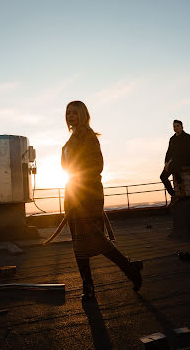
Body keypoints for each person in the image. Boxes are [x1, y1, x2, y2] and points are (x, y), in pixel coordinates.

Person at [45, 100, 143, 301]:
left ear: (82, 115)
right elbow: (66, 167)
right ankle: (90, 286)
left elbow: (97, 165)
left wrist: (80, 181)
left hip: (87, 195)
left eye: (74, 113)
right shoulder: (71, 139)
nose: (70, 116)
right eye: (68, 113)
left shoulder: (88, 137)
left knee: (94, 239)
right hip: (73, 194)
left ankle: (127, 269)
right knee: (79, 242)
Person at [160, 119, 190, 204]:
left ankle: (181, 185)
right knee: (163, 176)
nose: (176, 128)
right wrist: (166, 162)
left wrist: (171, 161)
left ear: (182, 127)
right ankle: (174, 195)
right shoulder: (172, 139)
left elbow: (184, 151)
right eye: (174, 126)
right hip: (173, 162)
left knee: (173, 165)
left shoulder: (187, 136)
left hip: (185, 159)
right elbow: (169, 151)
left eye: (177, 126)